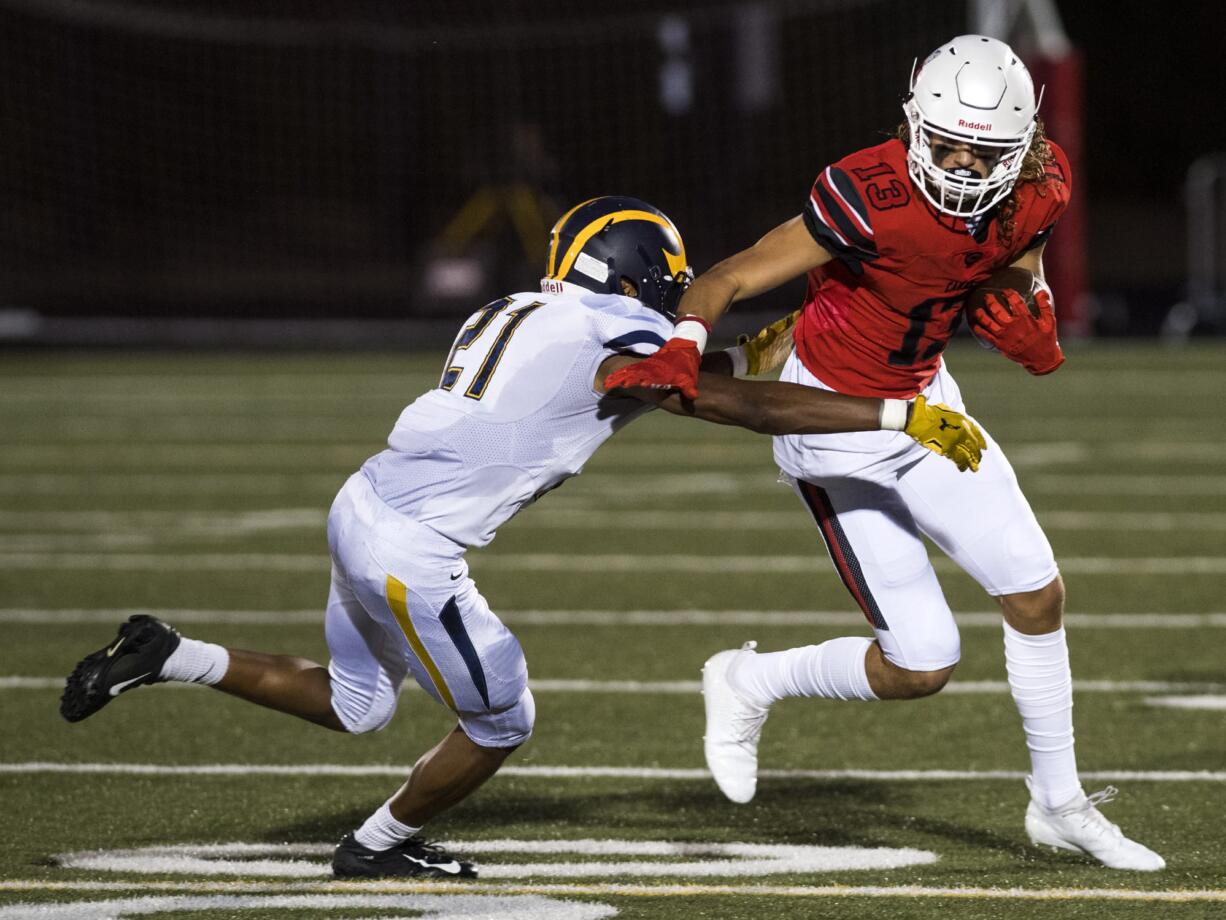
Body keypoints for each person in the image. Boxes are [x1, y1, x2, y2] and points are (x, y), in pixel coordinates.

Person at [59, 196, 985, 880]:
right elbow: (709, 398)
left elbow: (645, 375)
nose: (675, 294)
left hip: (363, 503)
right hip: (411, 548)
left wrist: (750, 348)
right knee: (504, 718)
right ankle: (379, 847)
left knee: (357, 704)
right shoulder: (613, 332)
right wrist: (892, 414)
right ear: (635, 281)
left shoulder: (526, 309)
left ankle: (169, 653)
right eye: (664, 281)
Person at [604, 38, 1164, 871]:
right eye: (948, 145)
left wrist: (1031, 318)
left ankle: (1060, 804)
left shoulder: (1041, 182)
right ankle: (749, 682)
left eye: (988, 151)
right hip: (835, 422)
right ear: (915, 124)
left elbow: (1015, 266)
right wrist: (687, 337)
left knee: (1038, 596)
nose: (967, 166)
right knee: (923, 665)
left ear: (1024, 145)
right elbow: (731, 275)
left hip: (930, 407)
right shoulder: (866, 193)